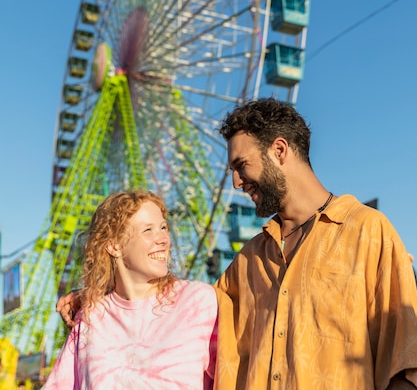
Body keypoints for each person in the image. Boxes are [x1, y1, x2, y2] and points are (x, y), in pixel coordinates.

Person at [214, 97, 417, 389]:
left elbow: (404, 363)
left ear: (279, 150)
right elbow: (189, 320)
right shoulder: (247, 260)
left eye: (241, 165)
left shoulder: (368, 231)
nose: (235, 182)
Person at [45, 190, 221, 390]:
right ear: (114, 245)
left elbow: (236, 376)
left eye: (163, 227)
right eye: (148, 230)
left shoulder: (197, 302)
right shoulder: (91, 318)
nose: (163, 239)